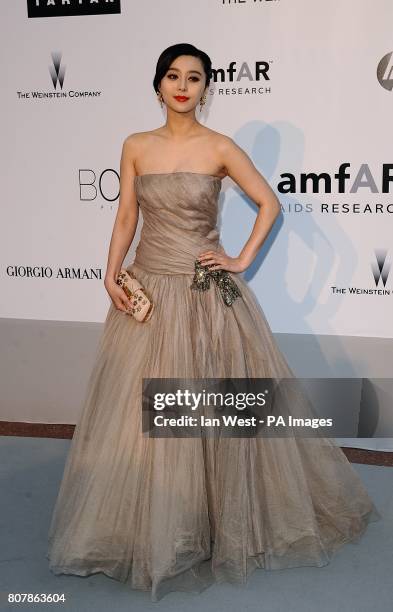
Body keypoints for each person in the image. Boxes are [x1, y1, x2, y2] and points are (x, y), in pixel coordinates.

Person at [47, 43, 381, 602]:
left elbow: (270, 205)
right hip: (148, 292)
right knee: (144, 417)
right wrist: (110, 273)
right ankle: (156, 527)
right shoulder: (135, 145)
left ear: (207, 88)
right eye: (173, 76)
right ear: (158, 85)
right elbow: (126, 212)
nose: (183, 85)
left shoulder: (220, 147)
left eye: (195, 77)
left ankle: (212, 524)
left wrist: (241, 258)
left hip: (206, 299)